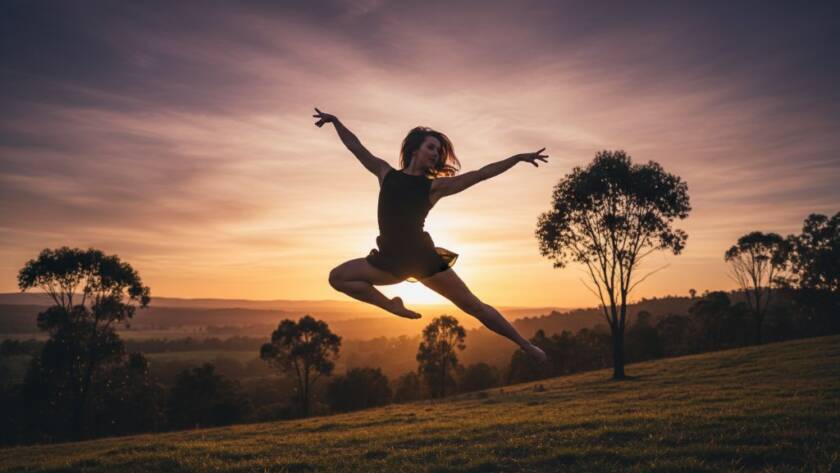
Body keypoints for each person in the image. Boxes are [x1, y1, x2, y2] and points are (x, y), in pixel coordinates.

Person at [315, 107, 549, 364]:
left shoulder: (434, 187)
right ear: (415, 149)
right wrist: (335, 121)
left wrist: (516, 158)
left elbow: (480, 174)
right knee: (337, 277)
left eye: (438, 151)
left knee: (474, 306)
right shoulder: (385, 173)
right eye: (431, 147)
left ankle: (525, 345)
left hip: (421, 259)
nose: (436, 154)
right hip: (389, 261)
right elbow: (356, 147)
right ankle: (391, 305)